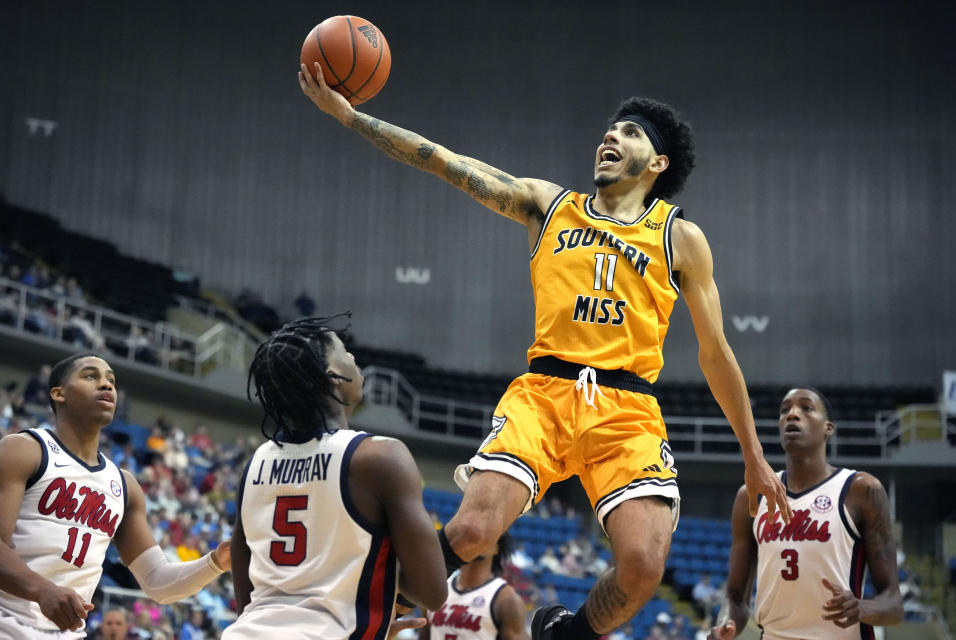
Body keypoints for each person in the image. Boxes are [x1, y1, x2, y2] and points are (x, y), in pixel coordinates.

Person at [300, 61, 791, 640]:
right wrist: (352, 117)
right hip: (545, 395)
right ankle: (364, 605)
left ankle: (562, 636)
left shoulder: (680, 237)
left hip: (628, 411)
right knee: (473, 532)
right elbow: (443, 161)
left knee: (642, 568)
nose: (612, 135)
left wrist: (754, 457)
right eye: (611, 128)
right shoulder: (548, 205)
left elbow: (716, 354)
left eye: (631, 132)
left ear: (657, 164)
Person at [222, 316, 447, 640]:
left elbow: (248, 602)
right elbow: (432, 592)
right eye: (345, 351)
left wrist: (370, 618)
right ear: (333, 376)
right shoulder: (380, 457)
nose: (354, 358)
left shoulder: (255, 463)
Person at [0, 353, 231, 638]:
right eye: (90, 376)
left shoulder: (124, 485)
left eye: (111, 380)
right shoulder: (24, 449)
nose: (106, 385)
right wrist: (41, 589)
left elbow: (157, 582)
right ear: (59, 394)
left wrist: (215, 562)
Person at [709, 387, 904, 639]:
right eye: (784, 410)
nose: (792, 415)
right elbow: (735, 598)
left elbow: (894, 605)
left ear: (828, 428)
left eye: (806, 408)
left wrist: (862, 607)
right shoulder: (751, 496)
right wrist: (725, 624)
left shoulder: (861, 490)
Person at [420, 534, 528, 640]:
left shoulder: (507, 600)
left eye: (486, 536)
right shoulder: (437, 590)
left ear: (497, 547)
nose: (478, 540)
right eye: (472, 536)